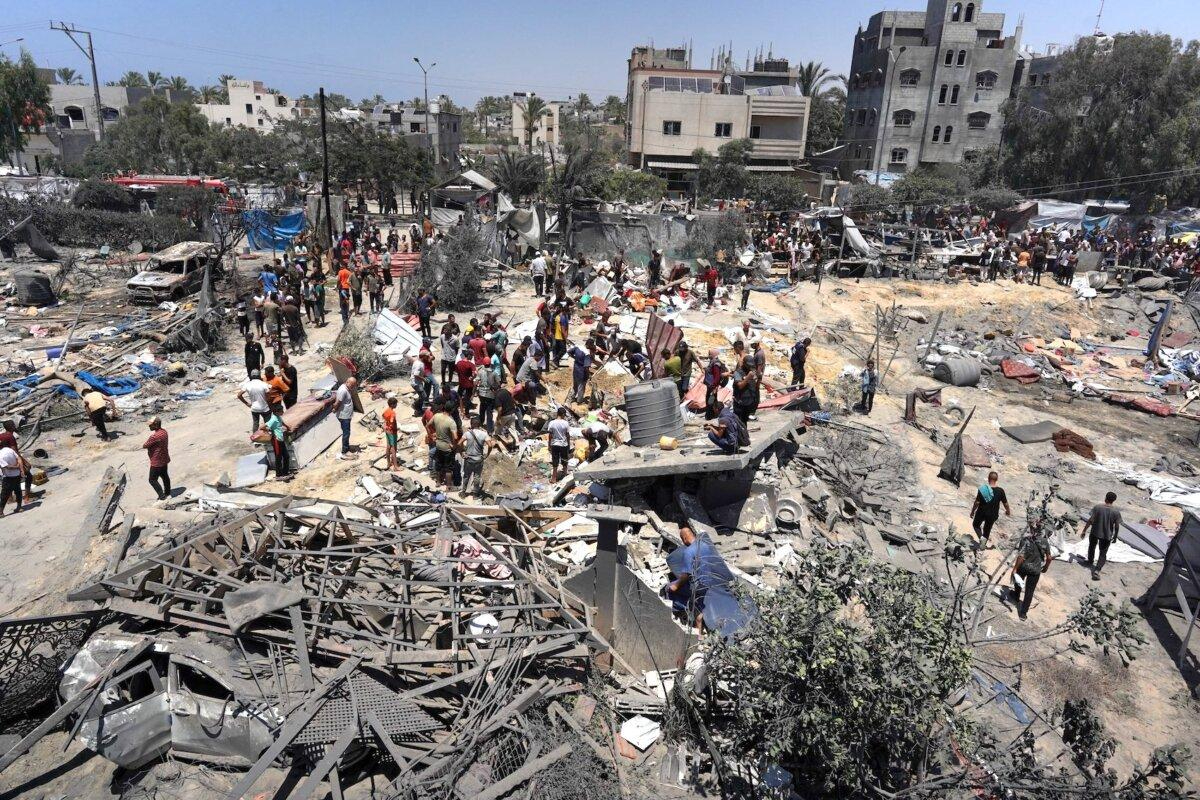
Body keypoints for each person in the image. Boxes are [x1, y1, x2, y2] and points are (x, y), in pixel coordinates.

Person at [1009, 531, 1053, 620]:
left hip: (1024, 566)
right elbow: (1049, 558)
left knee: (1018, 581)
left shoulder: (1025, 540)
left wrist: (1015, 569)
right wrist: (1045, 568)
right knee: (1029, 591)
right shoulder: (1045, 542)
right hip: (1035, 570)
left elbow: (1021, 556)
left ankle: (1016, 596)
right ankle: (1023, 613)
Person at [1079, 491, 1122, 581]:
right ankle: (1097, 570)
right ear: (1114, 500)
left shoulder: (1097, 507)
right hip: (1106, 535)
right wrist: (1115, 536)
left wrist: (1084, 530)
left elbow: (1091, 520)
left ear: (1105, 498)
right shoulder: (1116, 512)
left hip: (1095, 532)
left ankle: (1090, 561)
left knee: (1092, 547)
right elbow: (1117, 526)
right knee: (1103, 553)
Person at [969, 471, 1012, 545]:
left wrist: (972, 511)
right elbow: (1005, 504)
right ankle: (983, 545)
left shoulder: (983, 489)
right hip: (993, 515)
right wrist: (1008, 511)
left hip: (981, 512)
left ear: (988, 478)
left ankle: (981, 538)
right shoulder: (1000, 491)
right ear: (996, 479)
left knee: (976, 525)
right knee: (987, 530)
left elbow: (977, 502)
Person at [461, 415, 496, 497]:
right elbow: (490, 445)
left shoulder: (467, 433)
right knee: (477, 477)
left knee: (466, 476)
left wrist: (462, 452)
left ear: (471, 424)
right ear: (480, 425)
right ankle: (475, 494)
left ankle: (463, 493)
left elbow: (459, 443)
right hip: (478, 459)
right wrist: (487, 454)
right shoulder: (484, 434)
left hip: (468, 458)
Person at [431, 401, 460, 489]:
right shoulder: (451, 422)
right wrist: (454, 446)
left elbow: (428, 424)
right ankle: (449, 486)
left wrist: (433, 434)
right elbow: (455, 437)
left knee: (439, 465)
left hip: (438, 445)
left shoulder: (436, 416)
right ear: (452, 410)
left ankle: (438, 482)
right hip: (447, 448)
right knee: (448, 468)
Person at [142, 416, 171, 500]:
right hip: (164, 458)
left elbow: (145, 445)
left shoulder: (154, 437)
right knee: (165, 476)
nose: (149, 426)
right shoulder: (164, 432)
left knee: (152, 480)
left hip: (156, 461)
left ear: (155, 425)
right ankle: (168, 492)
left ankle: (161, 496)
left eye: (150, 425)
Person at [731, 356, 760, 425]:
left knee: (744, 423)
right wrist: (748, 378)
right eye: (748, 365)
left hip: (748, 402)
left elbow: (755, 386)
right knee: (738, 423)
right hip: (739, 403)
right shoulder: (737, 372)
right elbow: (740, 386)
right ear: (744, 363)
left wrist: (758, 378)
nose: (749, 367)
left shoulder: (751, 371)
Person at [547, 407, 572, 482]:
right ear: (563, 414)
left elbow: (550, 435)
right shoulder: (565, 423)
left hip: (554, 444)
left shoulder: (552, 423)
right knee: (564, 459)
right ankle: (564, 474)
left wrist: (549, 445)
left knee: (555, 460)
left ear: (557, 413)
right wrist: (568, 444)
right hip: (563, 444)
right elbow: (567, 435)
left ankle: (553, 478)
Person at [263, 407, 290, 477]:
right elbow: (262, 427)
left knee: (286, 456)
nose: (283, 412)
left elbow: (282, 422)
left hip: (281, 439)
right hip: (277, 440)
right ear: (276, 412)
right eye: (281, 411)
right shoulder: (273, 419)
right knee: (278, 457)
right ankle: (278, 475)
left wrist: (287, 427)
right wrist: (270, 431)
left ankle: (285, 472)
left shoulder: (278, 417)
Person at [335, 377, 358, 459]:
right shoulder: (343, 390)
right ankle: (344, 451)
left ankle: (347, 447)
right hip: (344, 416)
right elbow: (337, 402)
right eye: (352, 385)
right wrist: (334, 409)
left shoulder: (346, 388)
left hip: (346, 415)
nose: (353, 387)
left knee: (347, 432)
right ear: (347, 382)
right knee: (346, 433)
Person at [476, 359, 500, 431]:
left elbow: (476, 382)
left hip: (481, 394)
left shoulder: (480, 372)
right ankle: (489, 429)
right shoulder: (494, 373)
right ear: (490, 364)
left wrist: (475, 391)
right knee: (489, 412)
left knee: (482, 409)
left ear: (483, 363)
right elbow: (498, 383)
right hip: (490, 395)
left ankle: (481, 423)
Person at [0, 441, 23, 515]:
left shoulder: (0, 454)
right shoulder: (10, 450)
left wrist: (16, 467)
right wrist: (20, 468)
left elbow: (7, 467)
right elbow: (19, 458)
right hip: (17, 475)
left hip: (8, 477)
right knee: (18, 491)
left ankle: (0, 512)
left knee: (4, 494)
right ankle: (19, 507)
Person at [382, 396, 400, 471]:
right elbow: (392, 421)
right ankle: (396, 466)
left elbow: (383, 416)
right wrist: (393, 426)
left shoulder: (386, 411)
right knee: (393, 449)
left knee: (388, 447)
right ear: (392, 404)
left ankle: (388, 463)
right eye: (395, 404)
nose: (396, 405)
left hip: (387, 431)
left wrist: (386, 426)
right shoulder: (392, 413)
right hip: (392, 432)